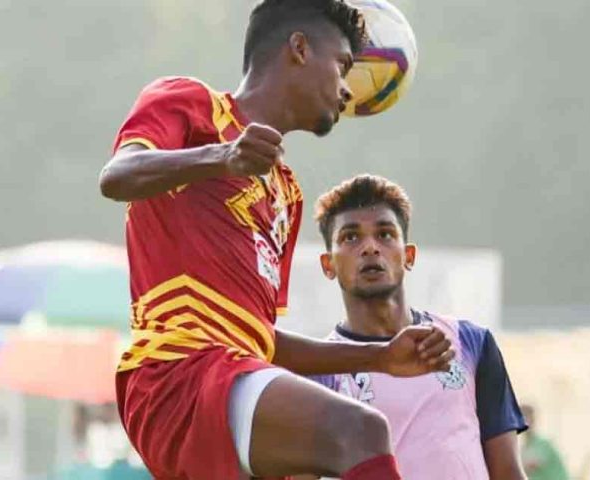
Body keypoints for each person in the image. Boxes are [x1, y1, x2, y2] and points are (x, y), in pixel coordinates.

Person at [98, 1, 455, 478]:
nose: (347, 89)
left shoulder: (286, 192)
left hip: (233, 381)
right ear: (300, 48)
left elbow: (262, 339)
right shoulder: (192, 103)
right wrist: (221, 157)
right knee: (358, 432)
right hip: (175, 373)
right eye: (343, 65)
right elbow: (116, 177)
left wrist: (379, 357)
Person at [298, 174, 529, 480]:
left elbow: (509, 472)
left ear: (408, 256)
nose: (370, 248)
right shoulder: (319, 374)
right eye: (351, 237)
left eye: (385, 234)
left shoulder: (471, 342)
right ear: (328, 265)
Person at [520, 404, 570, 480]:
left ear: (533, 419)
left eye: (527, 417)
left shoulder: (543, 444)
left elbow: (531, 464)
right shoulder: (525, 447)